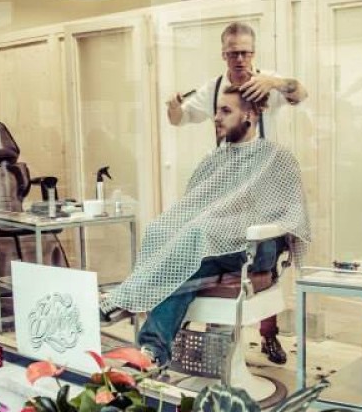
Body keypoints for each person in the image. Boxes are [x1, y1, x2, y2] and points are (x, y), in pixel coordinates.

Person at [104, 86, 310, 368]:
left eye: (225, 111)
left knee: (194, 238)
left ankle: (126, 297)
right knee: (162, 234)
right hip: (212, 245)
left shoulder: (276, 158)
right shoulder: (213, 160)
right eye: (216, 110)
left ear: (249, 115)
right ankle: (151, 351)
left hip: (257, 248)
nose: (216, 117)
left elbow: (293, 216)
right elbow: (193, 208)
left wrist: (235, 227)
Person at [164, 22, 308, 365]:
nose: (240, 59)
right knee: (207, 242)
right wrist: (173, 107)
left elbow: (300, 93)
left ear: (253, 52)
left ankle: (268, 334)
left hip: (264, 182)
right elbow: (180, 119)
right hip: (229, 182)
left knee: (259, 250)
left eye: (245, 52)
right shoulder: (214, 88)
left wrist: (274, 83)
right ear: (224, 54)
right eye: (233, 53)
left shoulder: (267, 83)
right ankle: (216, 338)